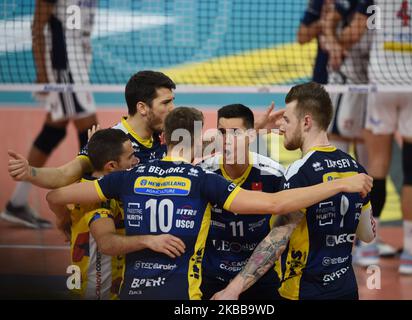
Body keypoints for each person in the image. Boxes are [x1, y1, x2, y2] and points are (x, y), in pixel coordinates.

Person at [46, 106, 373, 300]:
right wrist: (342, 183)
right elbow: (276, 204)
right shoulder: (202, 180)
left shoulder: (127, 176)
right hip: (184, 293)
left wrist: (89, 164)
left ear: (163, 139)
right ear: (204, 137)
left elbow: (55, 194)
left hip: (134, 291)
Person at [211, 82, 376, 300]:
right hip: (346, 289)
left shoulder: (299, 172)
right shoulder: (356, 168)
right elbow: (367, 234)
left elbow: (277, 240)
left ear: (306, 122)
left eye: (287, 119)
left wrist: (233, 289)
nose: (281, 127)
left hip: (304, 291)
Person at [337, 0, 412, 274]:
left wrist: (331, 30)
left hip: (382, 82)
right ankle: (411, 254)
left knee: (377, 165)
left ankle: (368, 247)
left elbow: (352, 37)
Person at [47, 128, 185, 299]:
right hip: (96, 292)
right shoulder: (96, 201)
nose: (136, 161)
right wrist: (149, 240)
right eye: (130, 157)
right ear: (111, 166)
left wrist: (63, 220)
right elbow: (107, 243)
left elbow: (53, 198)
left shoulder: (87, 186)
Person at [1, 0, 99, 228]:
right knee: (89, 132)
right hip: (63, 68)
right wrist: (43, 73)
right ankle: (86, 201)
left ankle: (17, 202)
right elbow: (38, 27)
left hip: (78, 66)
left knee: (54, 130)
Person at [7, 70, 176, 190]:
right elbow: (64, 174)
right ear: (143, 108)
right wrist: (30, 172)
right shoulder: (112, 142)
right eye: (165, 103)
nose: (172, 108)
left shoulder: (164, 135)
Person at [323, 0, 396, 265]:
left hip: (373, 89)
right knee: (339, 167)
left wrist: (331, 32)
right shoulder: (348, 4)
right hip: (348, 90)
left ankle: (366, 242)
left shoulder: (374, 6)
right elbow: (338, 41)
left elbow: (345, 38)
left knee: (368, 171)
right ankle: (337, 240)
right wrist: (331, 34)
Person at [197, 104, 285, 300]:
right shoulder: (203, 173)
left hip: (259, 274)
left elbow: (283, 233)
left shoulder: (273, 173)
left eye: (235, 133)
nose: (227, 141)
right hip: (211, 274)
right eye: (222, 133)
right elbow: (167, 155)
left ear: (252, 137)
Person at [297, 0, 333, 84]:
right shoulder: (318, 2)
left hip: (351, 74)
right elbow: (301, 37)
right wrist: (324, 22)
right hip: (322, 72)